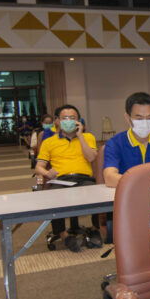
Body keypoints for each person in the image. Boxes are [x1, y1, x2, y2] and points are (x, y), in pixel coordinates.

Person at [35, 104, 101, 252]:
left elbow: (91, 157)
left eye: (72, 118)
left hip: (84, 178)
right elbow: (38, 167)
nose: (69, 121)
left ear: (79, 121)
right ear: (57, 121)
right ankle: (64, 235)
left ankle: (95, 229)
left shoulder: (88, 137)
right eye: (65, 118)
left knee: (98, 194)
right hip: (61, 179)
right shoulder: (49, 142)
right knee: (54, 197)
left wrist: (80, 136)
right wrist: (46, 173)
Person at [103, 93, 150, 188]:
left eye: (149, 118)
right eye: (139, 118)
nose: (145, 123)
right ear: (128, 118)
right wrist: (144, 183)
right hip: (130, 194)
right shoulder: (115, 143)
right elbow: (110, 178)